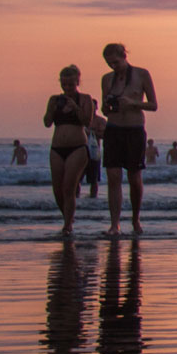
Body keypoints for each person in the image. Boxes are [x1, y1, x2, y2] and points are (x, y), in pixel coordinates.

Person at [99, 43, 157, 235]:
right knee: (113, 177)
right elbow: (104, 109)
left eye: (115, 62)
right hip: (114, 129)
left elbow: (153, 105)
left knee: (134, 177)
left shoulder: (141, 74)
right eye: (109, 63)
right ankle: (114, 223)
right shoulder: (107, 79)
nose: (112, 66)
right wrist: (107, 107)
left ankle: (135, 219)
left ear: (124, 56)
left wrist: (132, 103)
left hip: (134, 129)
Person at [43, 65, 98, 234]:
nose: (67, 88)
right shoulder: (54, 100)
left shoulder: (85, 99)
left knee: (69, 187)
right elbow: (47, 123)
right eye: (64, 85)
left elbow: (86, 121)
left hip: (77, 147)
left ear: (77, 82)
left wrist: (75, 106)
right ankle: (68, 216)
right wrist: (52, 109)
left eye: (71, 85)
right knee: (57, 189)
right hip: (57, 147)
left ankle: (67, 225)